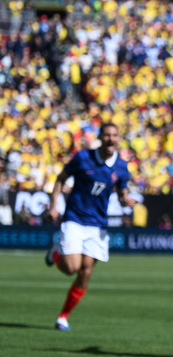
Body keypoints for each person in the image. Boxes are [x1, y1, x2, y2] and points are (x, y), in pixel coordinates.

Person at [45, 123, 136, 331]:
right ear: (100, 137)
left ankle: (63, 316)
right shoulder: (83, 157)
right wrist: (53, 206)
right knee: (71, 268)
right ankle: (56, 253)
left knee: (85, 273)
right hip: (75, 219)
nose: (111, 139)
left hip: (97, 226)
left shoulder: (121, 167)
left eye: (114, 135)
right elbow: (60, 180)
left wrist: (126, 201)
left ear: (118, 138)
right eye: (107, 135)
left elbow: (121, 194)